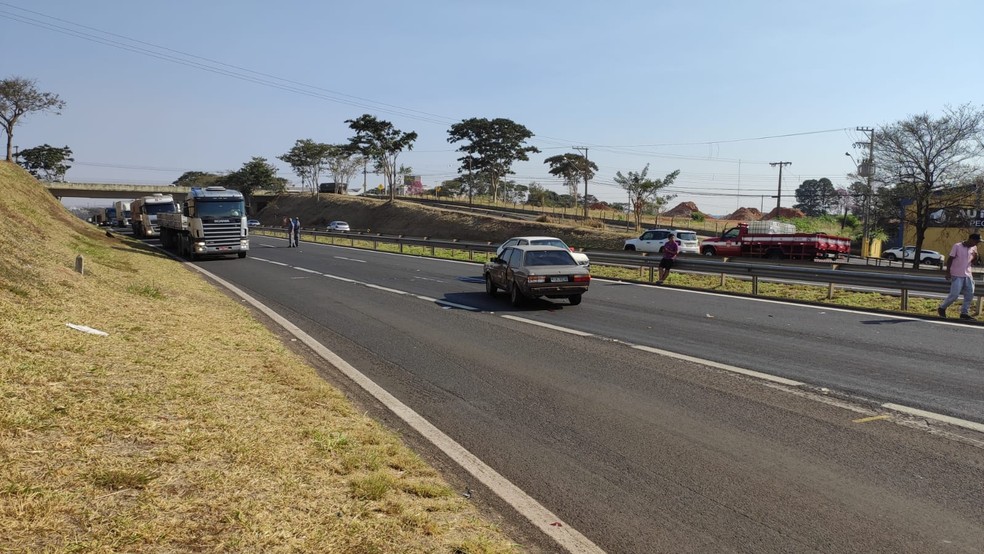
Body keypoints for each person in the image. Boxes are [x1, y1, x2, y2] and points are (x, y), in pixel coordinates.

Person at [938, 232, 981, 320]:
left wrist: (976, 257)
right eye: (976, 241)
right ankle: (942, 308)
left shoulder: (974, 248)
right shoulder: (957, 246)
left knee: (969, 294)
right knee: (954, 295)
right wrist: (947, 272)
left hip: (968, 274)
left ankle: (964, 313)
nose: (977, 243)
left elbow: (973, 262)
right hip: (956, 274)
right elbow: (950, 259)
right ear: (971, 240)